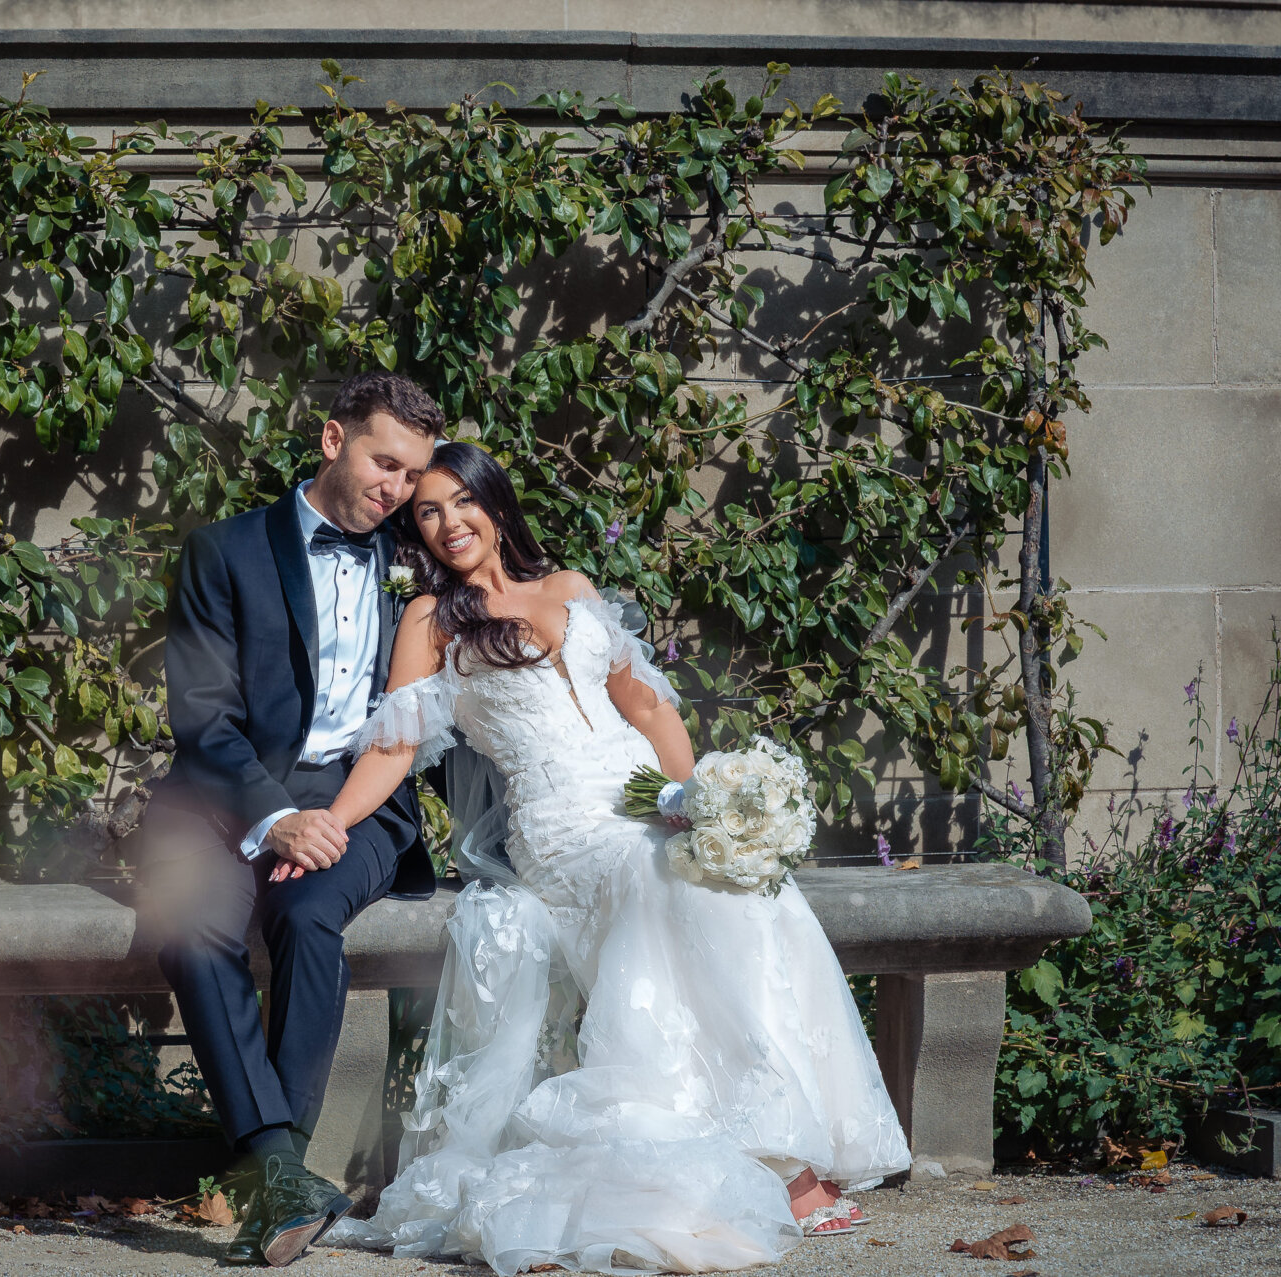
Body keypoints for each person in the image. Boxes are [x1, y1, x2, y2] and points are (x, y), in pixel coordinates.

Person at [288, 441, 910, 1275]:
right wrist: (325, 824)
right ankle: (785, 1173)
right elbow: (393, 751)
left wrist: (699, 802)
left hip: (646, 804)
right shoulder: (431, 622)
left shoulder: (573, 589)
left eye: (457, 502)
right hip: (564, 831)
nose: (445, 524)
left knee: (743, 888)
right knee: (675, 889)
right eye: (425, 513)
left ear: (493, 504)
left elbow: (649, 708)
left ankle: (786, 1145)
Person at [135, 372, 444, 1268]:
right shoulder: (223, 552)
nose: (396, 490)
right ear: (331, 439)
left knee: (310, 921)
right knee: (193, 931)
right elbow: (200, 713)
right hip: (223, 792)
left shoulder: (418, 564)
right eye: (384, 463)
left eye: (410, 477)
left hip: (360, 801)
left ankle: (281, 1173)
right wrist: (272, 816)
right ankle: (277, 1168)